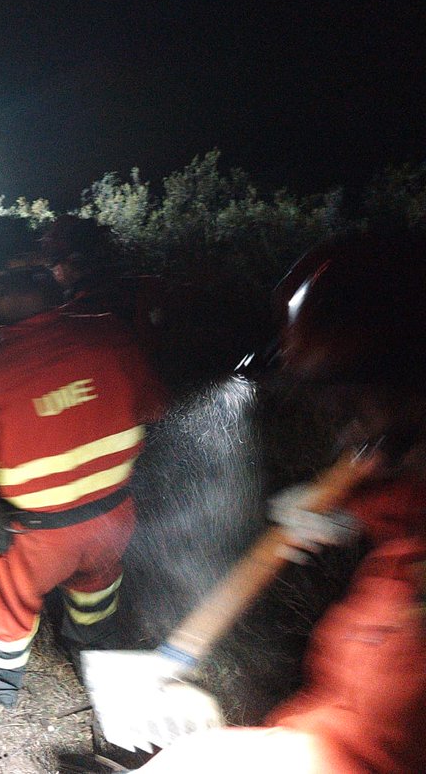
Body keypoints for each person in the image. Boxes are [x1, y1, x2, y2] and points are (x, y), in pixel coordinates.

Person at [137, 230, 426, 774]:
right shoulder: (395, 471)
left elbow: (380, 740)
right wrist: (348, 510)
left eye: (349, 400)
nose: (346, 432)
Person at [0, 216, 167, 707]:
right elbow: (153, 409)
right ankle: (91, 653)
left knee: (3, 602)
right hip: (115, 521)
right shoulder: (112, 334)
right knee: (96, 590)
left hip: (38, 541)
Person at [40, 214, 165, 356]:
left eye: (55, 264)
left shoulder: (81, 308)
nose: (54, 271)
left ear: (72, 260)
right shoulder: (138, 285)